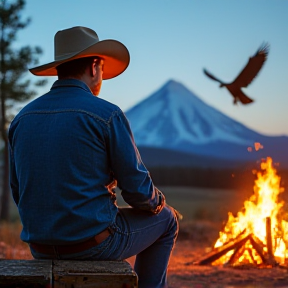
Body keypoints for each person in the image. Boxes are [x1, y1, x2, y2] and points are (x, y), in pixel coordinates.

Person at [8, 26, 178, 288]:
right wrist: (159, 203)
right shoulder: (106, 115)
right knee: (167, 220)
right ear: (95, 66)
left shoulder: (22, 118)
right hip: (92, 245)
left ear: (59, 69)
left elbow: (18, 190)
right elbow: (136, 191)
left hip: (39, 246)